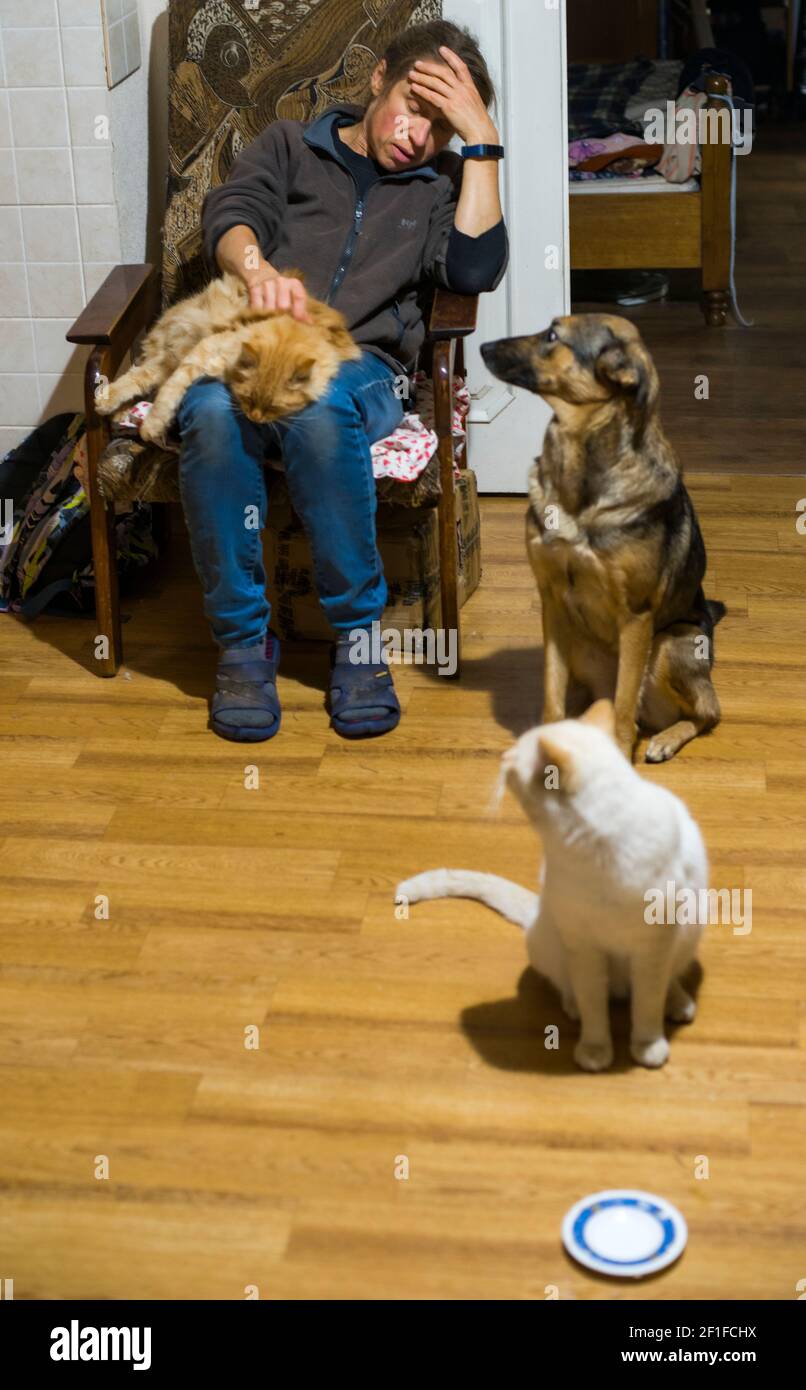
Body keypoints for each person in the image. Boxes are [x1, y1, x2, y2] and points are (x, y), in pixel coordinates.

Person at [178, 19, 509, 743]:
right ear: (377, 76)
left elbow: (473, 272)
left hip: (368, 369)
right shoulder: (289, 146)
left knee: (319, 402)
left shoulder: (441, 185)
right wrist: (257, 272)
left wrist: (481, 140)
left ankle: (357, 637)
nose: (419, 136)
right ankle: (241, 642)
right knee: (205, 409)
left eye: (441, 128)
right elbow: (229, 215)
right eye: (414, 108)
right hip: (260, 345)